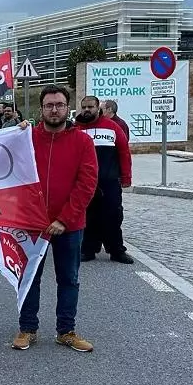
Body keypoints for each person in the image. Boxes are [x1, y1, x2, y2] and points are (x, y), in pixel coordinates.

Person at [13, 86, 98, 353]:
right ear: (41, 109)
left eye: (59, 105)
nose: (54, 110)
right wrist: (13, 136)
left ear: (67, 108)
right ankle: (27, 328)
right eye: (49, 105)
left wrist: (64, 219)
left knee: (69, 278)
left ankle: (66, 331)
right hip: (31, 224)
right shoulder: (25, 139)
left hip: (69, 226)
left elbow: (87, 184)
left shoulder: (82, 142)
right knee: (28, 278)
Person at [74, 96, 134, 264]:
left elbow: (124, 152)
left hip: (109, 181)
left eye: (90, 107)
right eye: (84, 107)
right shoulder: (75, 129)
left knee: (113, 216)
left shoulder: (112, 127)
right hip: (84, 183)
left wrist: (126, 177)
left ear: (97, 108)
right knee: (88, 217)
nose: (87, 110)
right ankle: (88, 249)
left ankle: (116, 250)